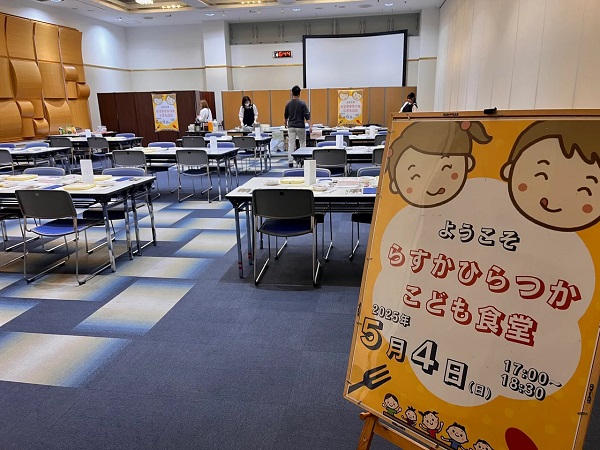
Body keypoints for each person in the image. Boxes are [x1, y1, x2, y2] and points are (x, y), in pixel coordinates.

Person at [284, 85, 311, 167]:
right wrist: (310, 126)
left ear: (292, 93)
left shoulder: (288, 103)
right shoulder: (302, 103)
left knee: (291, 144)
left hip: (291, 126)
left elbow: (286, 115)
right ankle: (302, 160)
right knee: (302, 143)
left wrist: (285, 123)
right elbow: (307, 116)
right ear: (299, 93)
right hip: (300, 126)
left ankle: (290, 161)